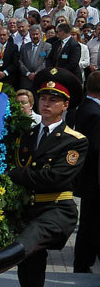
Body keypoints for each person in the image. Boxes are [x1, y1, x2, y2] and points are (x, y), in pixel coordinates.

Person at [0, 67, 87, 287]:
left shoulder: (75, 140)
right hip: (28, 209)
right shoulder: (28, 134)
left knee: (34, 234)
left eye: (54, 100)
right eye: (43, 98)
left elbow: (55, 178)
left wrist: (15, 174)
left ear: (65, 105)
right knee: (30, 266)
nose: (46, 103)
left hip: (56, 209)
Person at [73, 71, 100, 273]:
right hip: (94, 178)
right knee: (90, 222)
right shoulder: (95, 113)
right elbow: (95, 148)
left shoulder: (85, 107)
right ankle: (83, 263)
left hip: (90, 177)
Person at [18, 25, 52, 90]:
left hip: (40, 79)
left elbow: (46, 62)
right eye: (33, 34)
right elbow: (20, 62)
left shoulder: (47, 46)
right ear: (30, 35)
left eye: (37, 34)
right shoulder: (24, 47)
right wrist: (28, 73)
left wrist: (36, 73)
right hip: (26, 80)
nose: (35, 36)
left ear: (41, 35)